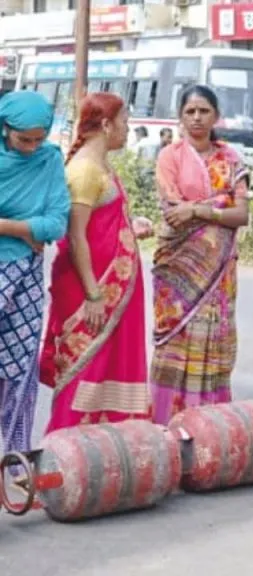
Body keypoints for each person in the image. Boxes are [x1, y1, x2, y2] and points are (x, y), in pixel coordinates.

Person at [40, 92, 154, 431]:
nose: (127, 130)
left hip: (109, 291)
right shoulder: (85, 170)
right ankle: (67, 452)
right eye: (124, 123)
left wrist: (131, 229)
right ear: (106, 125)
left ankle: (110, 450)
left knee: (109, 366)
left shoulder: (100, 165)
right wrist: (93, 294)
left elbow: (100, 227)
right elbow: (76, 237)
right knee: (85, 368)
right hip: (90, 291)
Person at [149, 85, 251, 425]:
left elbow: (242, 215)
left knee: (213, 343)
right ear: (180, 117)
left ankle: (208, 425)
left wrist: (199, 211)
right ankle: (167, 422)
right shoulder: (169, 157)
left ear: (215, 116)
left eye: (203, 111)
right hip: (178, 268)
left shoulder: (231, 159)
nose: (196, 118)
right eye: (190, 111)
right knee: (177, 342)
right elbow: (173, 211)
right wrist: (216, 205)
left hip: (220, 272)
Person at [0, 91, 70, 454]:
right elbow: (41, 224)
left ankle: (15, 457)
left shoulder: (50, 161)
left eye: (39, 139)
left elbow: (57, 223)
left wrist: (10, 226)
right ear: (4, 128)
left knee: (18, 368)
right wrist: (27, 229)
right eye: (23, 139)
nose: (31, 147)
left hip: (26, 275)